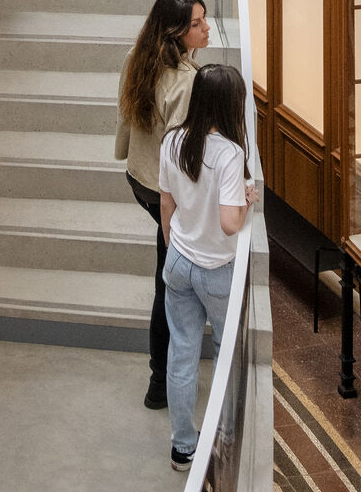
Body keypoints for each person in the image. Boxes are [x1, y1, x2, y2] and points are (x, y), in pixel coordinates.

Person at [159, 63, 260, 472]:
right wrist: (247, 200)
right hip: (217, 269)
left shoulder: (172, 141)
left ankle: (183, 446)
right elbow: (229, 223)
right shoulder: (231, 154)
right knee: (224, 352)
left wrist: (174, 246)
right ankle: (225, 438)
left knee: (181, 351)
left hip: (179, 260)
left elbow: (166, 203)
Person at [115, 0, 211, 410]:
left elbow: (126, 117)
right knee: (168, 286)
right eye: (196, 24)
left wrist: (128, 155)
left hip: (139, 177)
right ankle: (160, 382)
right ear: (175, 32)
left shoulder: (139, 57)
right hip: (161, 192)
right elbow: (177, 158)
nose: (206, 28)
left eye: (204, 19)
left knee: (167, 279)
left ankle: (164, 375)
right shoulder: (188, 83)